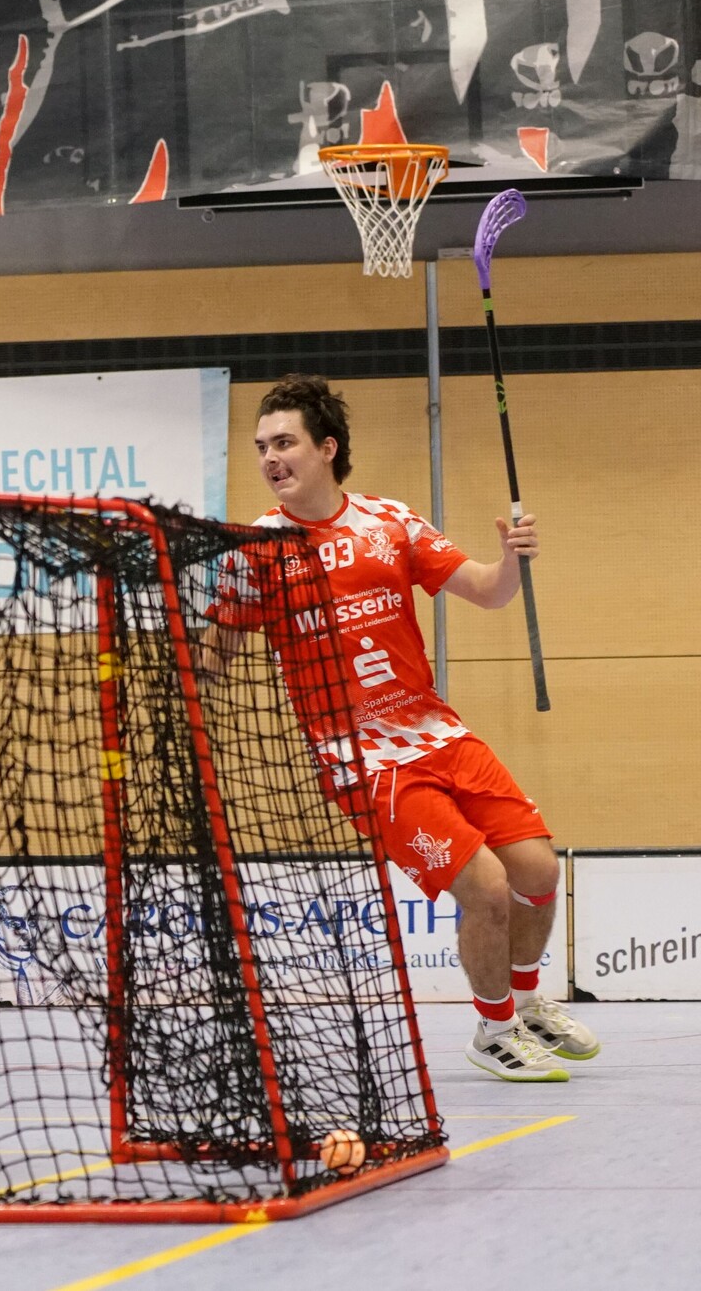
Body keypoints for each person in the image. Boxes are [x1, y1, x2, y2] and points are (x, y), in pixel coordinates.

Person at [216, 374, 596, 1083]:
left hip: (438, 733)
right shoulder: (255, 551)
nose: (271, 458)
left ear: (327, 448)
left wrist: (513, 557)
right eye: (262, 446)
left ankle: (524, 996)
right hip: (363, 762)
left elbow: (487, 590)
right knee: (485, 888)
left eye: (285, 442)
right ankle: (494, 1031)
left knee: (539, 871)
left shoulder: (389, 521)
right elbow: (214, 659)